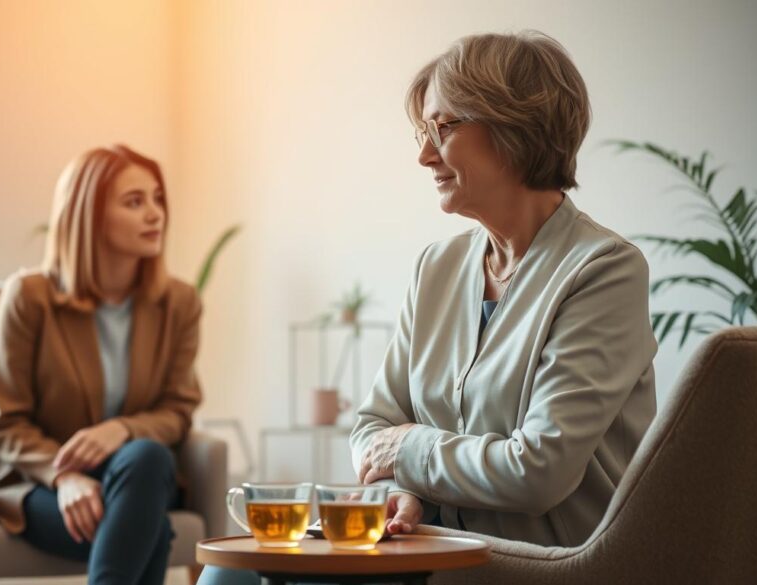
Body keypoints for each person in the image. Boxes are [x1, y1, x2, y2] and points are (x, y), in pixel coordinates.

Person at [199, 29, 656, 583]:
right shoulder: (437, 268)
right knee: (231, 573)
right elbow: (373, 428)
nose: (423, 155)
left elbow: (539, 471)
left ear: (515, 127)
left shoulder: (604, 270)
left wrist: (410, 451)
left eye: (443, 127)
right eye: (424, 131)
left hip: (541, 564)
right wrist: (401, 493)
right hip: (427, 543)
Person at [0, 145, 203, 585]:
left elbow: (178, 410)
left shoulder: (179, 303)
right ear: (89, 214)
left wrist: (121, 429)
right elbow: (3, 422)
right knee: (149, 528)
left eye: (157, 199)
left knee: (146, 454)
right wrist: (64, 476)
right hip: (39, 483)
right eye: (134, 202)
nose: (155, 214)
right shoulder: (29, 297)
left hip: (137, 474)